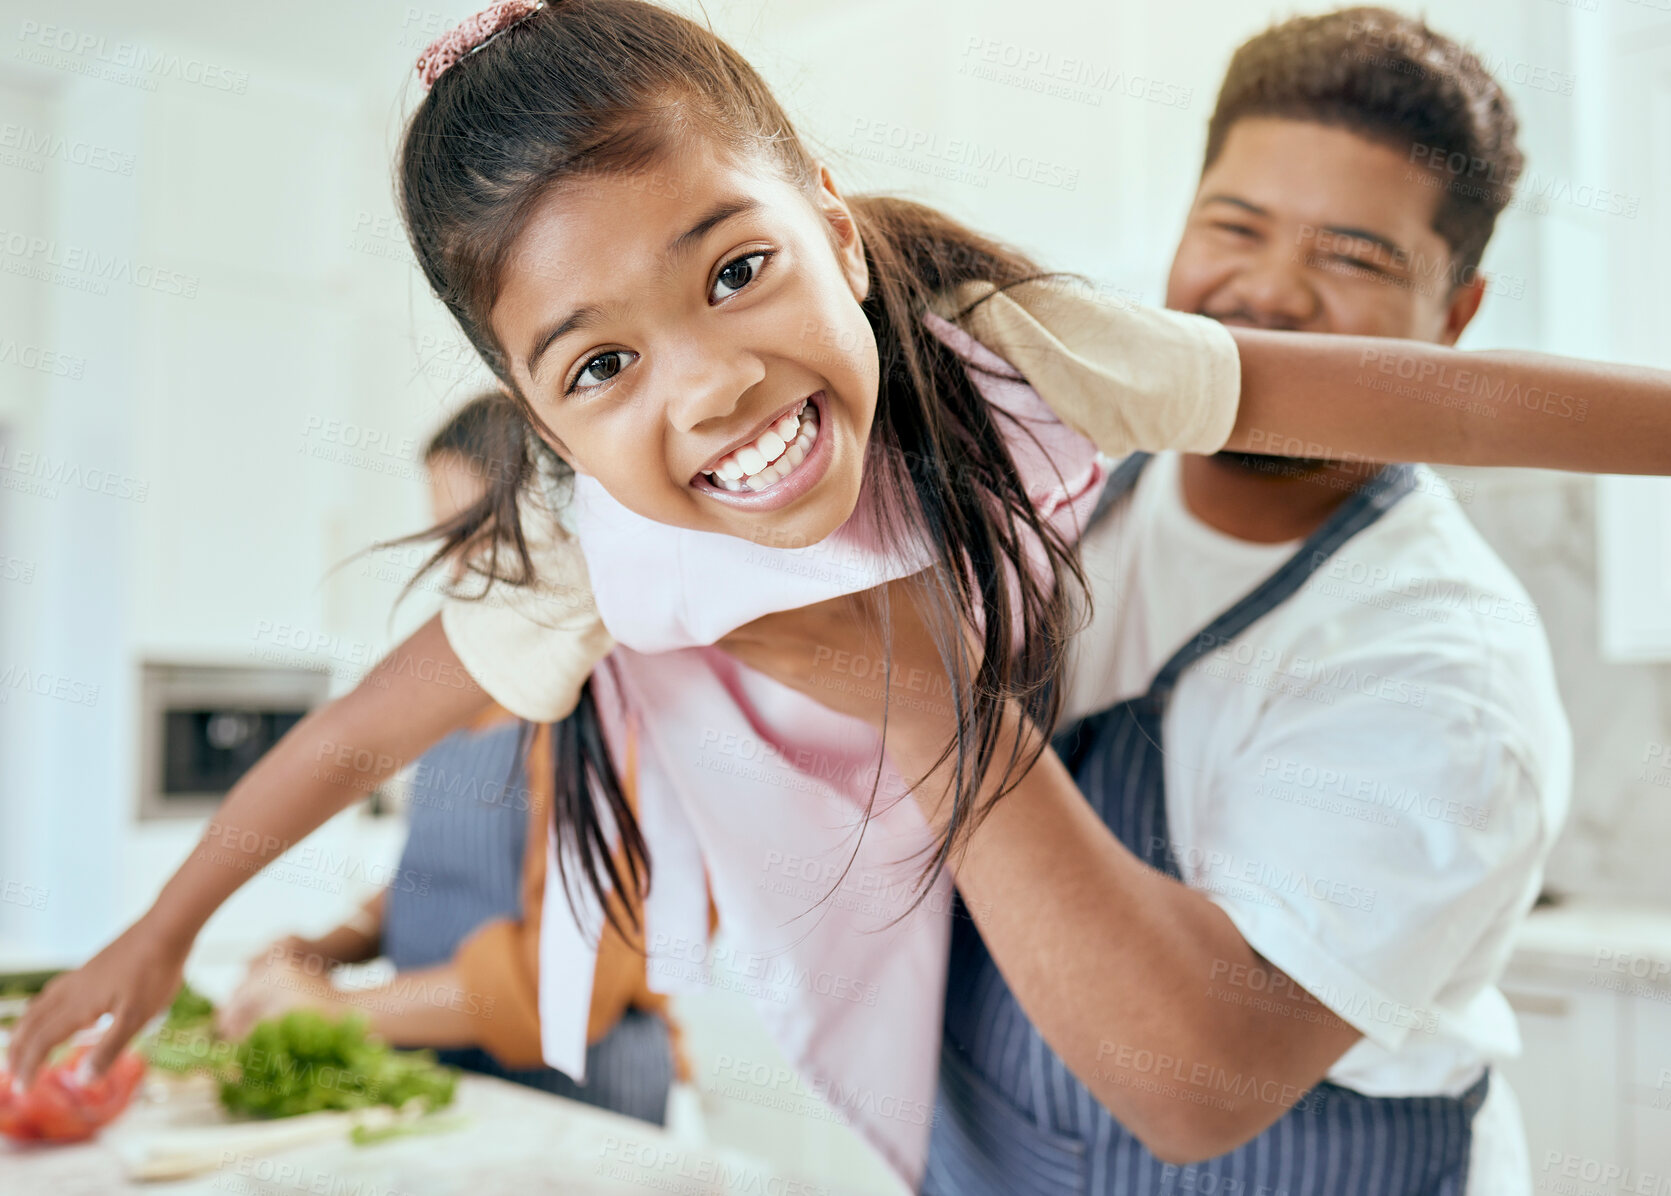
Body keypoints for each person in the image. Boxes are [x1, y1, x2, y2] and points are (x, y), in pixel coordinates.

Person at [8, 1, 1669, 1191]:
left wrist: (910, 681)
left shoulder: (1035, 356)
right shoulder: (602, 535)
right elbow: (375, 724)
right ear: (543, 416)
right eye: (599, 363)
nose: (713, 386)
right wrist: (163, 926)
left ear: (833, 227)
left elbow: (1447, 402)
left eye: (737, 270)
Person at [734, 8, 1567, 1192]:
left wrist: (928, 696)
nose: (1267, 291)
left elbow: (1196, 1081)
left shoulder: (1441, 659)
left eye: (1353, 256)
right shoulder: (1055, 480)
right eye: (1234, 226)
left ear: (1458, 318)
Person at [215, 393, 680, 1125]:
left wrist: (335, 1008)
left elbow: (566, 977)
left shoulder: (605, 710)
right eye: (445, 538)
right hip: (450, 1077)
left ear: (555, 516)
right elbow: (439, 878)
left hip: (579, 1097)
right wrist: (328, 950)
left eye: (475, 532)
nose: (460, 567)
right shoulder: (459, 700)